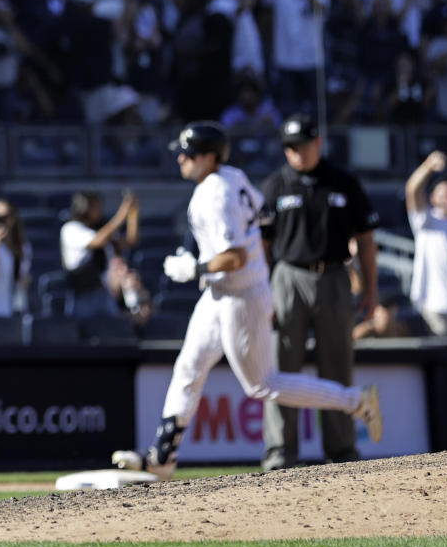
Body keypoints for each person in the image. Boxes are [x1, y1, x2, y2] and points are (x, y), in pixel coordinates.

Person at [111, 122, 382, 481]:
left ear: (208, 156)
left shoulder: (216, 193)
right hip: (220, 291)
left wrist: (195, 266)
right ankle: (162, 457)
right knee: (188, 366)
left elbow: (235, 256)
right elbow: (264, 215)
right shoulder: (232, 176)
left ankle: (356, 401)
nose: (181, 158)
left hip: (241, 293)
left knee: (262, 384)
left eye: (189, 153)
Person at [260, 115, 380, 472]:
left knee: (337, 365)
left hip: (334, 276)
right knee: (281, 368)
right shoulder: (274, 186)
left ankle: (342, 449)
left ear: (318, 142)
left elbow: (367, 240)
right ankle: (281, 452)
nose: (296, 154)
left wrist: (371, 290)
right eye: (290, 148)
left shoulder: (343, 182)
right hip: (287, 278)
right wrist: (262, 294)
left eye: (302, 146)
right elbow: (261, 246)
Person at [404, 150, 447, 336]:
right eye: (443, 194)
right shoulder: (426, 221)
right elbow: (412, 189)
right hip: (435, 306)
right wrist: (428, 167)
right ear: (432, 198)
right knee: (444, 357)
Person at [60, 190, 139, 318]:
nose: (100, 210)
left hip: (104, 292)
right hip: (83, 293)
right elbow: (97, 241)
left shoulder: (101, 228)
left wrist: (132, 215)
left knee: (112, 331)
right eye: (95, 207)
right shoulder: (71, 228)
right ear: (84, 208)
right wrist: (121, 214)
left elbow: (129, 241)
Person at [0, 197, 32, 317]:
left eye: (6, 217)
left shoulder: (24, 245)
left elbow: (24, 274)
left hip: (18, 305)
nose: (2, 222)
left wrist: (26, 279)